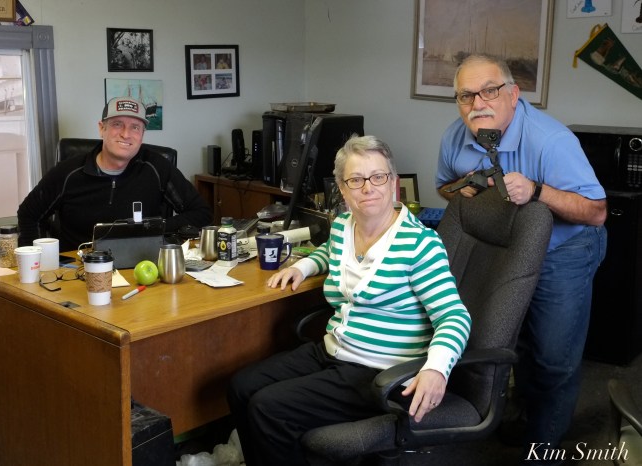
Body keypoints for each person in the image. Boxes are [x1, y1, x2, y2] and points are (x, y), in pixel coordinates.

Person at [227, 135, 472, 466]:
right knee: (241, 386)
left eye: (378, 177)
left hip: (379, 372)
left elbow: (454, 316)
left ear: (394, 183)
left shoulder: (420, 244)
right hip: (334, 351)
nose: (368, 187)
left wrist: (437, 369)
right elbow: (329, 252)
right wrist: (302, 266)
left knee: (268, 408)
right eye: (356, 180)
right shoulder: (343, 225)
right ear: (342, 190)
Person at [435, 54, 607, 464]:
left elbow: (597, 212)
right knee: (515, 340)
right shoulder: (455, 136)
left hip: (563, 249)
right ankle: (525, 415)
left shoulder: (551, 141)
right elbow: (444, 188)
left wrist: (537, 191)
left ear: (513, 94)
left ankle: (543, 445)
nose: (478, 103)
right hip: (504, 248)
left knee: (553, 355)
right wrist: (465, 188)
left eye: (489, 91)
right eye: (466, 95)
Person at [17, 96, 212, 249]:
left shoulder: (157, 167)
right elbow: (28, 214)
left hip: (142, 265)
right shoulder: (67, 173)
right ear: (102, 129)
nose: (126, 134)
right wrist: (40, 262)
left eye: (135, 127)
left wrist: (154, 228)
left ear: (142, 135)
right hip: (79, 269)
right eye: (117, 124)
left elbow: (201, 213)